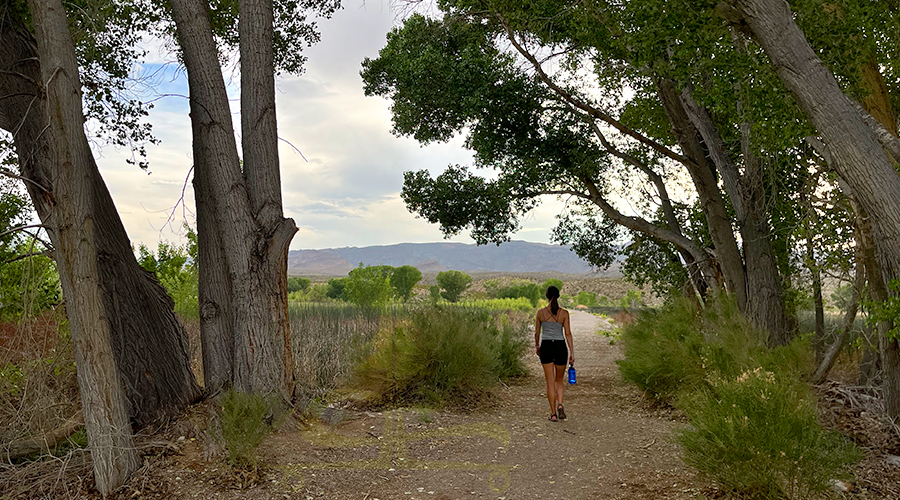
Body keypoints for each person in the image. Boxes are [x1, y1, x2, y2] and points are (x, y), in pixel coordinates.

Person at [535, 285, 574, 422]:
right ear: (558, 296)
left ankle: (552, 413)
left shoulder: (540, 313)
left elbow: (537, 333)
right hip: (560, 347)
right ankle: (561, 405)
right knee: (559, 380)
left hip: (546, 346)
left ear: (546, 296)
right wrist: (572, 352)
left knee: (550, 382)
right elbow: (568, 333)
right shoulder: (564, 313)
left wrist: (537, 346)